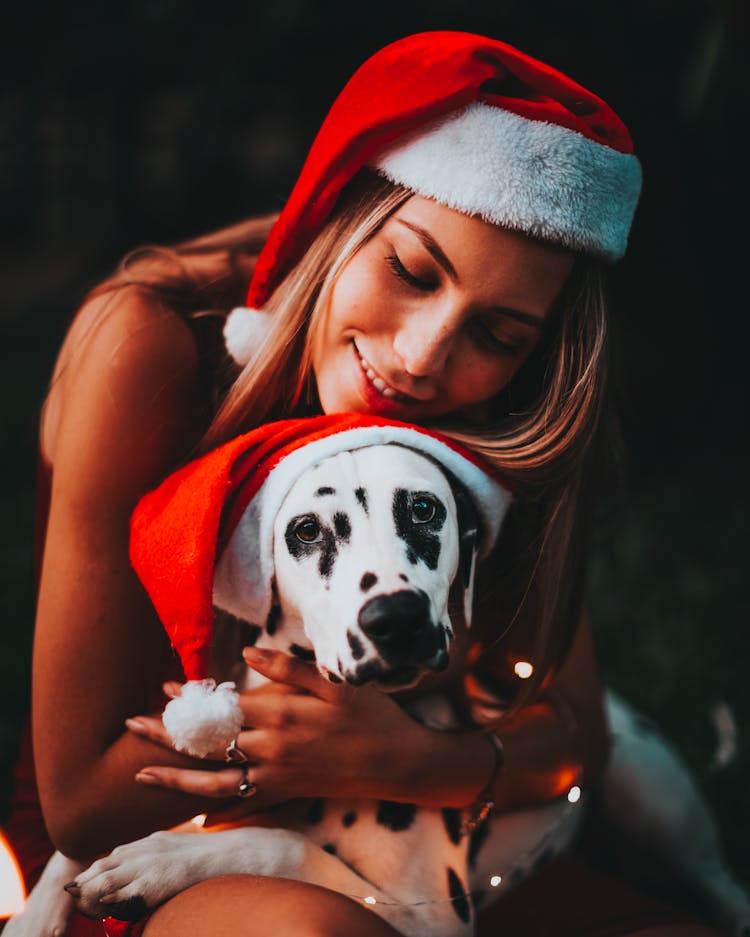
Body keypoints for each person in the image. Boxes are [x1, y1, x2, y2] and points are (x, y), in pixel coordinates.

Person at [3, 30, 720, 937]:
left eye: (498, 336)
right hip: (136, 842)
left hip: (411, 833)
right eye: (410, 270)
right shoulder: (148, 342)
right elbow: (80, 806)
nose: (423, 358)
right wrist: (336, 754)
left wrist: (406, 761)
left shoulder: (488, 428)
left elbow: (574, 736)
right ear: (338, 213)